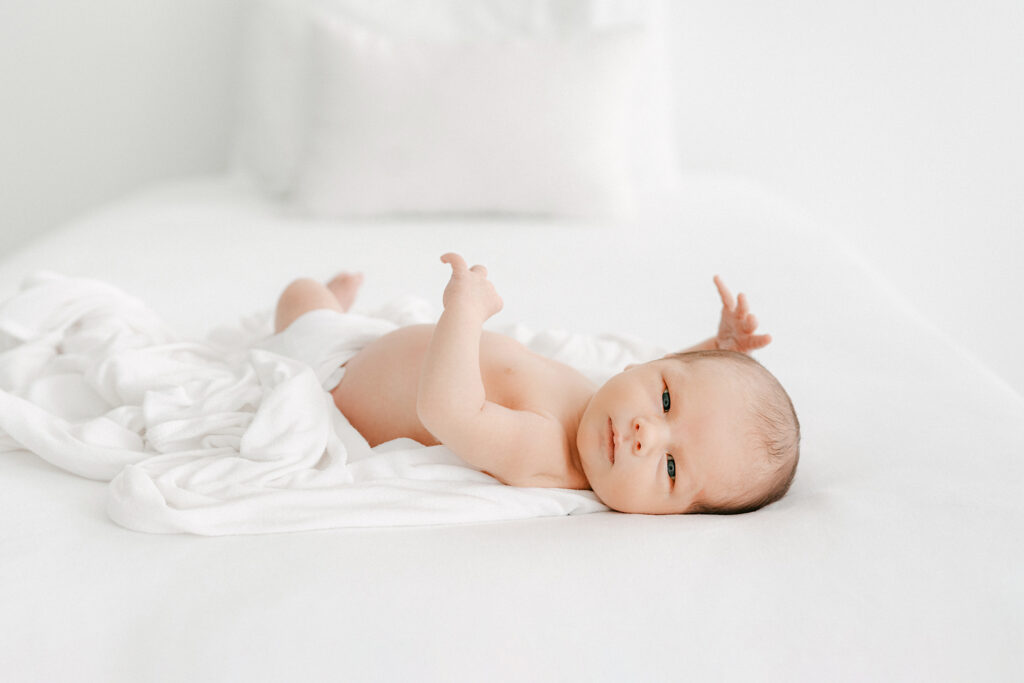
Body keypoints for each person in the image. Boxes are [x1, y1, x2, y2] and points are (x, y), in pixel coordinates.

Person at [268, 253, 799, 515]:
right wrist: (715, 348)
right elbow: (665, 372)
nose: (645, 433)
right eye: (664, 401)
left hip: (335, 372)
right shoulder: (603, 402)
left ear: (677, 516)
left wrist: (464, 313)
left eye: (670, 467)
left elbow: (447, 411)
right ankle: (334, 303)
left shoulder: (548, 451)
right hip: (379, 343)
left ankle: (323, 303)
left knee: (299, 298)